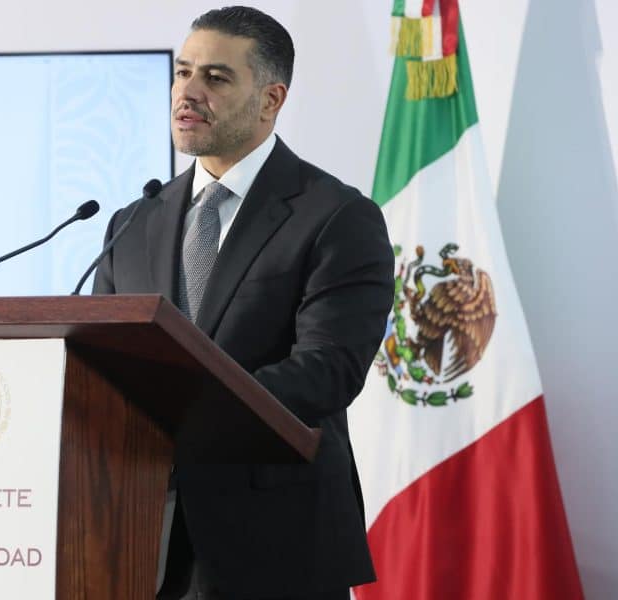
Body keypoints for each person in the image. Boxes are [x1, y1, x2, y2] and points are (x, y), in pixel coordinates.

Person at [93, 6, 394, 599]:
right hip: (135, 540)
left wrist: (185, 408)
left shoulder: (335, 216)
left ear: (271, 98)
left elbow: (329, 369)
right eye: (182, 73)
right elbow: (103, 360)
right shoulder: (135, 222)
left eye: (216, 77)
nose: (188, 91)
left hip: (273, 545)